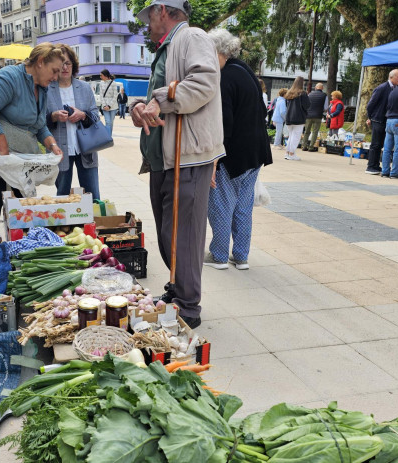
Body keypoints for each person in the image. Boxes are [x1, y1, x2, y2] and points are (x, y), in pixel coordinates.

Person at [130, 0, 223, 329]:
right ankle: (177, 290)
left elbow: (204, 83)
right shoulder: (166, 48)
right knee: (170, 233)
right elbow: (159, 98)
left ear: (162, 11)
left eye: (149, 16)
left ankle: (187, 306)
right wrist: (141, 107)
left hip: (189, 156)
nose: (147, 23)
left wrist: (159, 102)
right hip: (165, 159)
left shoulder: (193, 37)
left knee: (183, 235)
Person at [0, 42, 64, 219]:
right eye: (55, 70)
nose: (56, 77)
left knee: (24, 194)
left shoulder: (42, 88)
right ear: (41, 61)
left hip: (14, 143)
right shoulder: (9, 78)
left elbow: (39, 124)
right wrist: (3, 148)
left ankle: (23, 239)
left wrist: (52, 144)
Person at [205, 29, 272, 270]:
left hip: (232, 153)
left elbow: (223, 122)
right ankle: (241, 256)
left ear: (217, 51)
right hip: (255, 151)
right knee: (243, 206)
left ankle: (220, 255)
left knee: (222, 204)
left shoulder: (224, 78)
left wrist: (214, 160)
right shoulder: (246, 72)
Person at [45, 44, 101, 200]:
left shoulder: (84, 87)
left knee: (92, 194)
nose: (64, 67)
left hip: (85, 148)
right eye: (61, 64)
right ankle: (65, 224)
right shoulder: (47, 89)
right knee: (62, 195)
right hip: (59, 150)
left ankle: (93, 223)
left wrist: (83, 115)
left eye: (68, 63)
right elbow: (39, 121)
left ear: (73, 65)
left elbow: (96, 116)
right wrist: (53, 117)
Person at [365, 68, 398, 174]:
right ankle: (371, 166)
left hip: (386, 120)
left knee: (381, 144)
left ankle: (376, 165)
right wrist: (371, 117)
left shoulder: (395, 88)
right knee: (376, 144)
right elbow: (370, 104)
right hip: (378, 119)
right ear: (391, 77)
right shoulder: (382, 88)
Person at [282, 76, 310, 161]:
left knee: (291, 136)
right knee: (296, 136)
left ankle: (287, 152)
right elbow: (307, 105)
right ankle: (292, 153)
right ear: (302, 83)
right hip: (299, 117)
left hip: (289, 117)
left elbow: (287, 105)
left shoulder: (289, 93)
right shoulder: (302, 93)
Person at [301, 83, 326, 151]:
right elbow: (326, 107)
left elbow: (306, 104)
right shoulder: (324, 95)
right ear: (322, 88)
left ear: (315, 87)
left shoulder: (310, 94)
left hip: (308, 115)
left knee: (307, 131)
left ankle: (304, 146)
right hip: (318, 116)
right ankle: (311, 147)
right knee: (315, 132)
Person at [98, 69, 118, 135]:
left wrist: (109, 106)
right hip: (104, 106)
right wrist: (104, 105)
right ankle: (108, 137)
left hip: (113, 106)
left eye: (101, 75)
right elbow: (101, 95)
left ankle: (110, 136)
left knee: (111, 122)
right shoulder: (101, 83)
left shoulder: (113, 83)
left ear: (106, 75)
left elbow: (115, 95)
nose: (100, 77)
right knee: (108, 122)